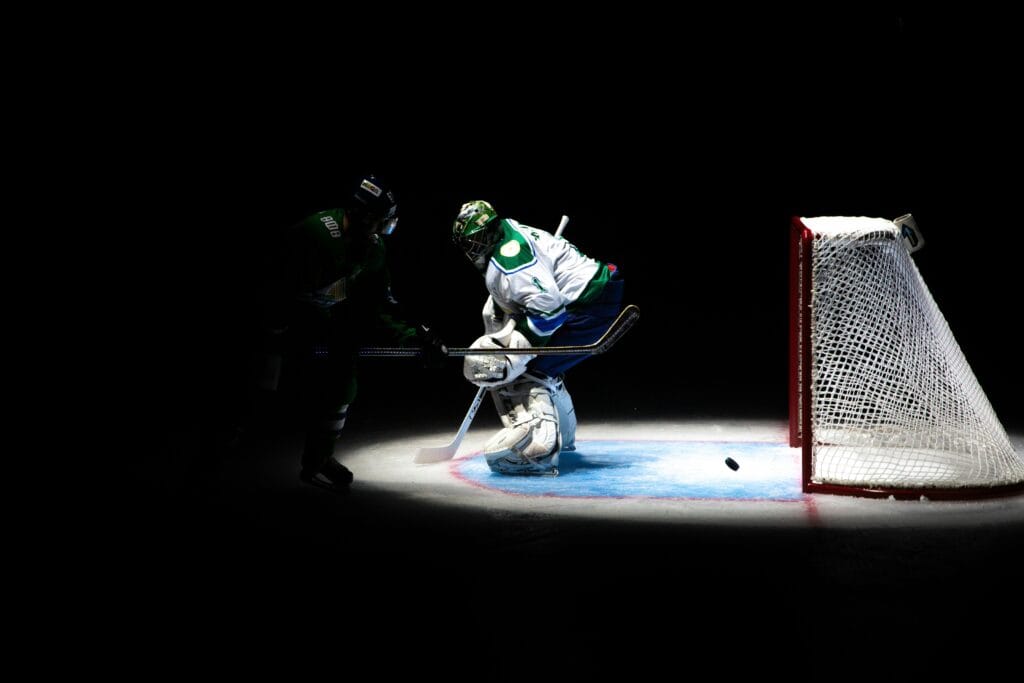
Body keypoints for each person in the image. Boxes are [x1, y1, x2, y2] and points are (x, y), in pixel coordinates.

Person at [254, 175, 447, 491]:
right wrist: (273, 331)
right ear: (363, 216)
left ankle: (318, 460)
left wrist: (415, 335)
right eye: (381, 221)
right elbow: (267, 281)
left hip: (316, 317)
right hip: (271, 321)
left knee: (342, 379)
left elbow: (378, 304)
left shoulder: (373, 248)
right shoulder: (312, 235)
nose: (382, 231)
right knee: (257, 392)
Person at [452, 200, 624, 475]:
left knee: (525, 371)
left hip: (588, 305)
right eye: (469, 243)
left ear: (492, 230)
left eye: (479, 239)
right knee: (540, 368)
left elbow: (550, 312)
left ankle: (539, 454)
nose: (474, 249)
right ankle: (565, 437)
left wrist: (514, 357)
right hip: (594, 295)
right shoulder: (507, 232)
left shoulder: (510, 259)